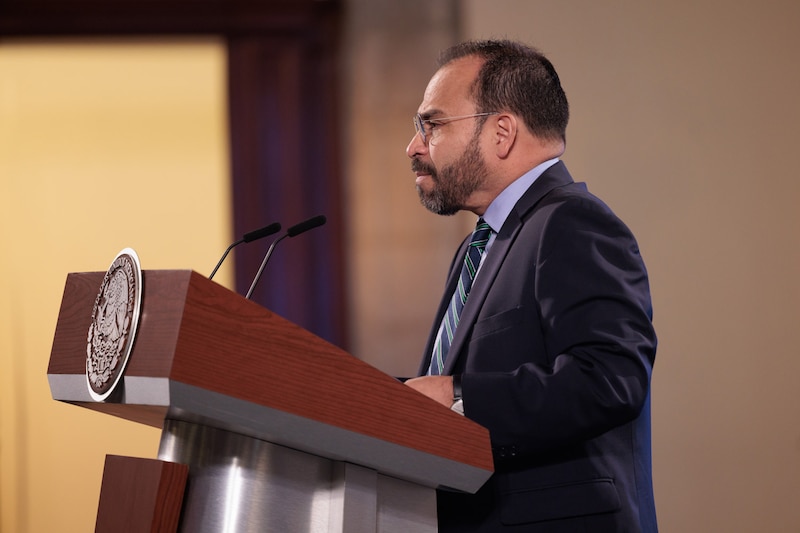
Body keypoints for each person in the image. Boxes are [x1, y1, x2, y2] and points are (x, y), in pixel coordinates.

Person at [403, 39, 658, 532]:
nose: (413, 147)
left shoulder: (573, 222)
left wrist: (457, 397)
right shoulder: (479, 246)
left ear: (501, 133)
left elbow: (610, 379)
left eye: (430, 125)